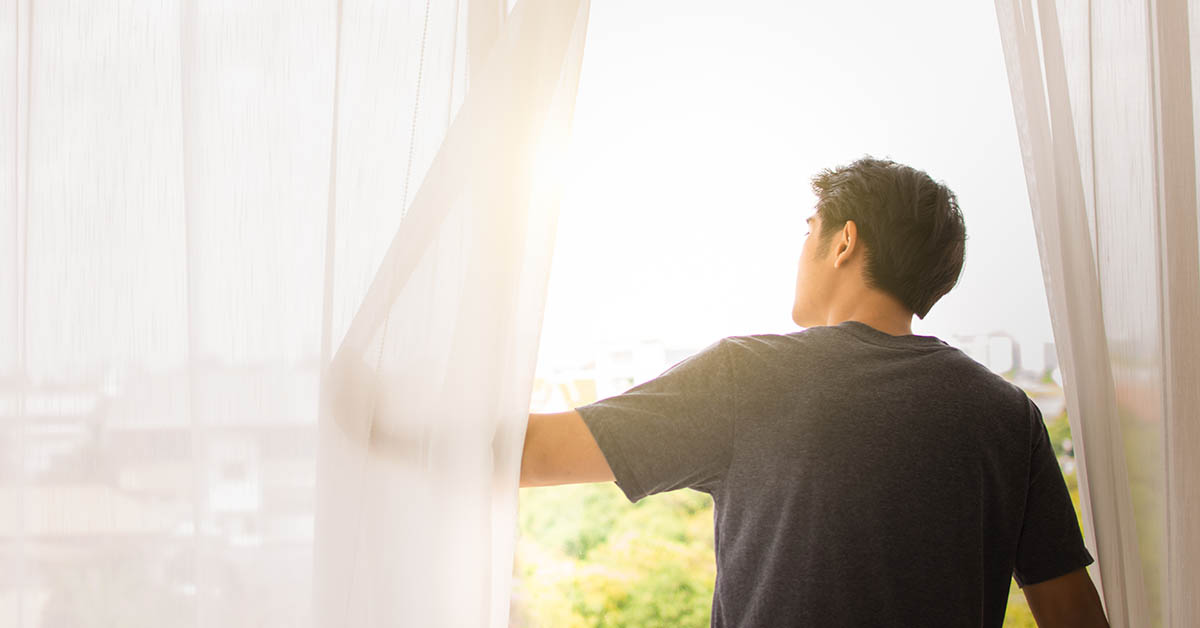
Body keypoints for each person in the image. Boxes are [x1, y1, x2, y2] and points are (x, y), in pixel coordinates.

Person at [519, 156, 1109, 627]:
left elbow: (535, 453)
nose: (802, 250)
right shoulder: (1008, 415)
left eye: (809, 230)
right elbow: (1073, 613)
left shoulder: (747, 376)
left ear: (845, 241)